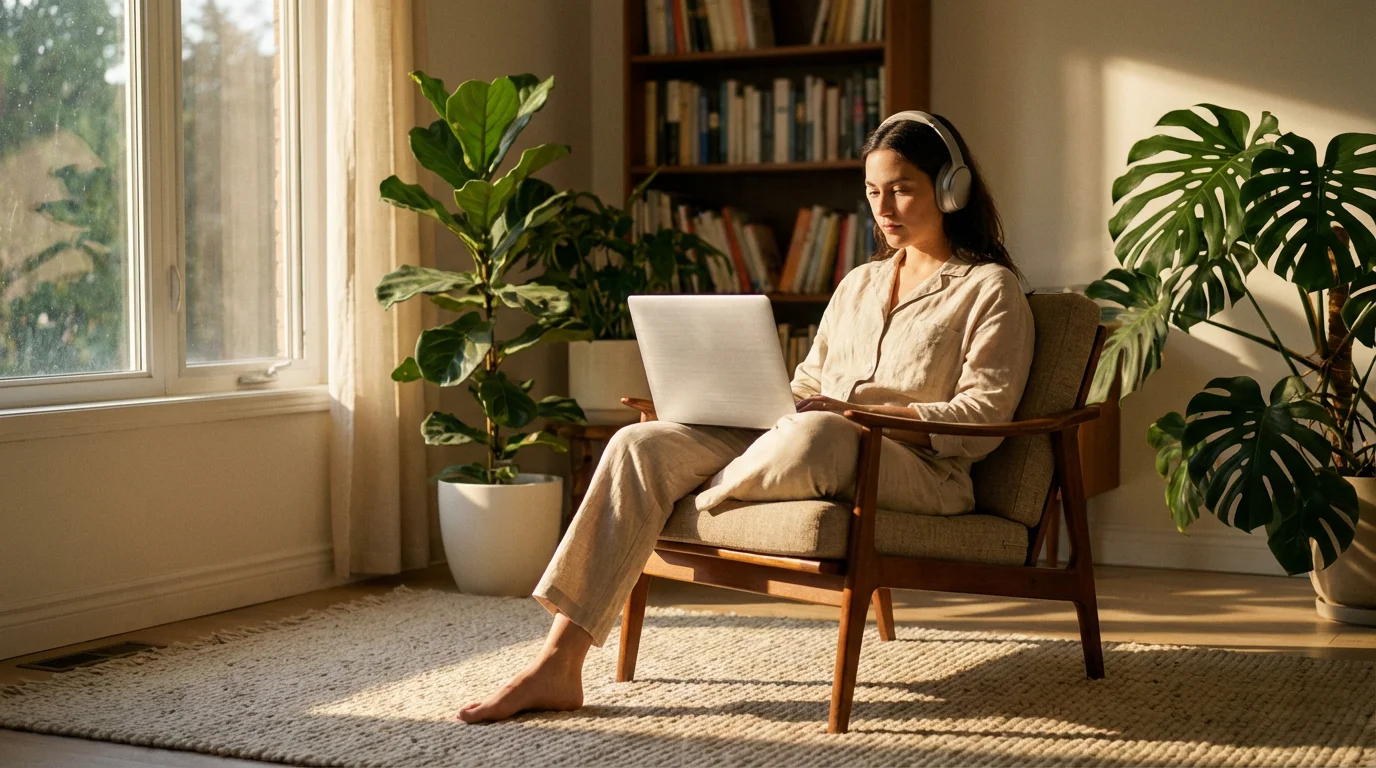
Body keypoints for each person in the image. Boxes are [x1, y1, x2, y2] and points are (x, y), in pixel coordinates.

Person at [457, 112, 1036, 724]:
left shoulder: (989, 290)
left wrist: (858, 411)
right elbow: (808, 385)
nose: (883, 206)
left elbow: (984, 417)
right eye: (872, 191)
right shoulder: (859, 284)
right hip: (795, 442)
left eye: (902, 188)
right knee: (639, 444)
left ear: (952, 188)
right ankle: (559, 664)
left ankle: (694, 494)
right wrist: (702, 411)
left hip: (916, 467)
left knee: (819, 431)